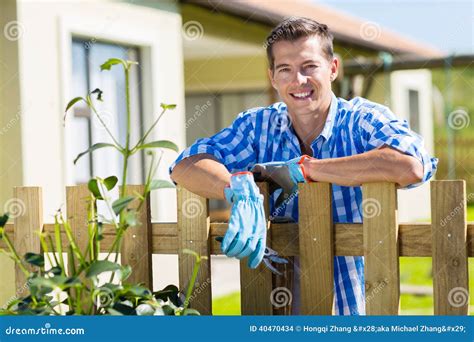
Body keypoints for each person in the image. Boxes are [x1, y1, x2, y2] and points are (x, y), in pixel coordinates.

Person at [169, 17, 438, 315]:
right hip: (280, 311)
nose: (298, 81)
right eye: (285, 69)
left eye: (309, 66)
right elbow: (184, 165)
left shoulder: (362, 120)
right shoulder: (258, 125)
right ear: (273, 77)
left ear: (333, 68)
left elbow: (410, 165)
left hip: (357, 309)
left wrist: (306, 169)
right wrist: (235, 187)